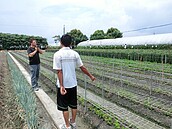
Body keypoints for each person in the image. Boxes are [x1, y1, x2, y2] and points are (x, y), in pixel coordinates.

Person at [53, 34, 95, 129]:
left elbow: (59, 71)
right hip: (73, 84)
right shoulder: (75, 54)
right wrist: (91, 76)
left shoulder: (57, 54)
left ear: (61, 42)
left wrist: (62, 86)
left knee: (64, 107)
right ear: (70, 43)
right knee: (73, 105)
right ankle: (73, 122)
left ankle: (67, 126)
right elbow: (82, 67)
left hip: (63, 85)